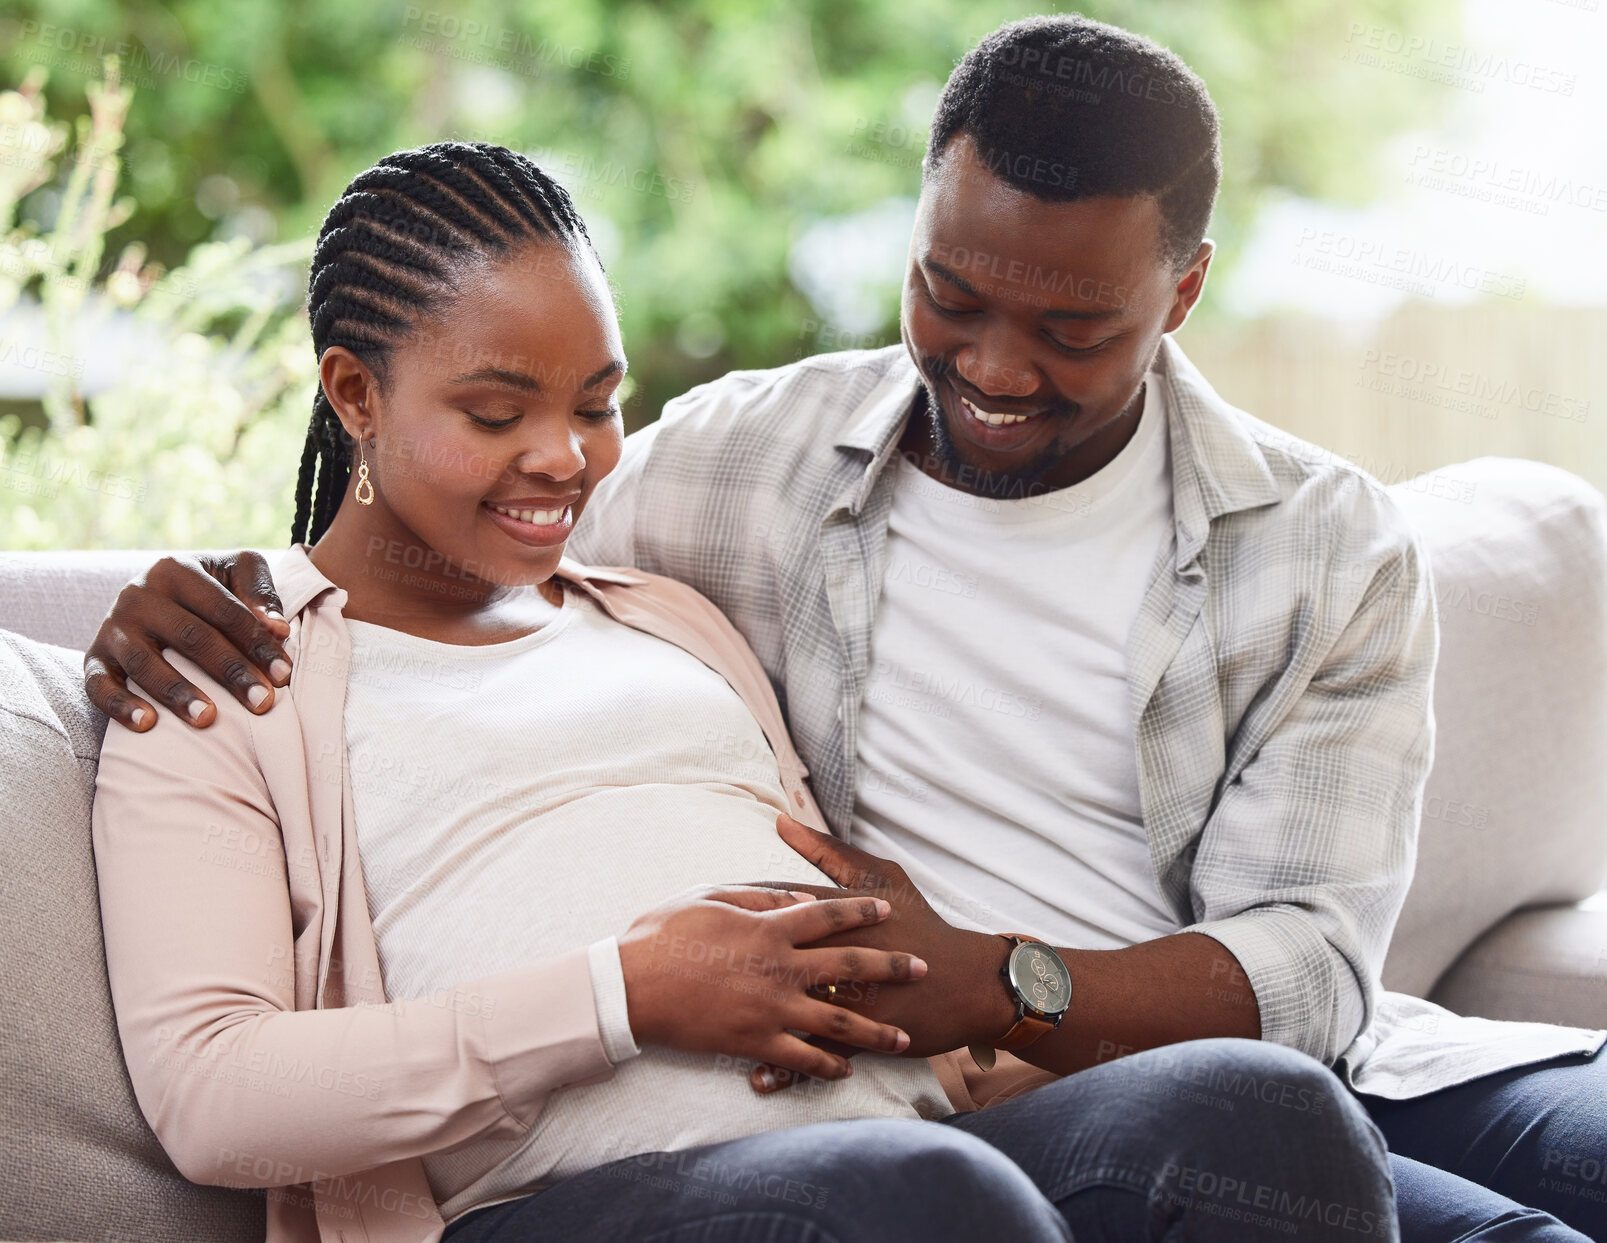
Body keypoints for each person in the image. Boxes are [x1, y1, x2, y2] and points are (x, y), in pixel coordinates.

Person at [83, 16, 1607, 1242]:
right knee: (942, 1199)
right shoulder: (245, 674)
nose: (568, 458)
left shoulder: (664, 610)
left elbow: (1303, 968)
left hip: (987, 1098)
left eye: (601, 407)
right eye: (951, 297)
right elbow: (218, 1091)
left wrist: (986, 999)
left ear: (1182, 291)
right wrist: (178, 597)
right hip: (625, 1183)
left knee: (1266, 1120)